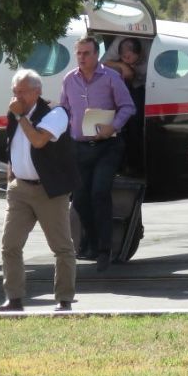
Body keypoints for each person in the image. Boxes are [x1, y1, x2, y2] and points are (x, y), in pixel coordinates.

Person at [0, 69, 81, 312]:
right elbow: (11, 147)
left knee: (62, 247)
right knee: (10, 245)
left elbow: (38, 141)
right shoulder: (15, 112)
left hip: (49, 191)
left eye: (22, 92)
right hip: (20, 188)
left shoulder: (56, 113)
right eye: (15, 92)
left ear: (37, 91)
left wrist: (21, 116)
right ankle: (13, 298)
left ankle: (64, 300)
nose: (17, 97)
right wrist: (9, 181)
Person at [60, 36, 136, 271]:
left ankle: (105, 249)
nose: (82, 58)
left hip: (107, 146)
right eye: (79, 53)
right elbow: (64, 109)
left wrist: (113, 126)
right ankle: (91, 242)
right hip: (79, 147)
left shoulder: (111, 77)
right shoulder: (69, 80)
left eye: (86, 53)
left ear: (96, 55)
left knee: (100, 192)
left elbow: (128, 106)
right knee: (80, 199)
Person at [102, 37, 148, 175]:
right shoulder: (118, 44)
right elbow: (103, 63)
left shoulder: (148, 53)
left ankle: (135, 166)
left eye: (129, 58)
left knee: (135, 124)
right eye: (124, 58)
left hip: (141, 86)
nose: (127, 60)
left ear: (138, 54)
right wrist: (123, 66)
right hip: (123, 86)